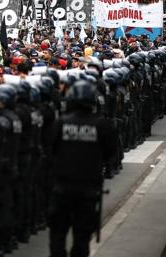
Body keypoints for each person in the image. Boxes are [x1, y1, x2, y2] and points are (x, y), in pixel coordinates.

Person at [49, 80, 117, 257]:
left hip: (62, 188)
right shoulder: (102, 125)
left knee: (58, 235)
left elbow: (49, 149)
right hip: (89, 188)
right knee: (82, 237)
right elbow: (111, 153)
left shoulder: (61, 123)